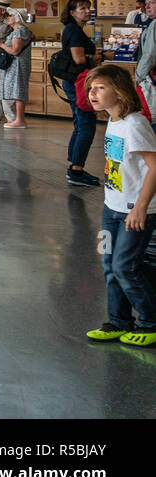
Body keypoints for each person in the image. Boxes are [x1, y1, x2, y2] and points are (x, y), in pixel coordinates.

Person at [81, 65, 156, 346]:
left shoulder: (135, 124)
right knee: (109, 264)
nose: (93, 93)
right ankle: (119, 321)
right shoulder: (113, 121)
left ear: (120, 91)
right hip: (110, 209)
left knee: (125, 266)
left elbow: (154, 167)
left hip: (135, 212)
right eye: (91, 88)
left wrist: (139, 207)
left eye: (100, 87)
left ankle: (150, 322)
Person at [62, 0, 106, 185]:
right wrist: (99, 57)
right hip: (79, 83)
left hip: (74, 82)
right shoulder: (75, 32)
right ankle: (77, 170)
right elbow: (78, 59)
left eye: (88, 8)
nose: (87, 11)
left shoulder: (74, 30)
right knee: (86, 126)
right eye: (82, 8)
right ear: (72, 12)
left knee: (80, 124)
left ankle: (74, 166)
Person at [0, 8, 33, 129]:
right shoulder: (17, 31)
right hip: (16, 65)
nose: (8, 17)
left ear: (17, 18)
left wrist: (1, 45)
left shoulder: (20, 31)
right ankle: (18, 118)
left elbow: (15, 51)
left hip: (18, 65)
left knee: (18, 90)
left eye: (10, 15)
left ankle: (19, 119)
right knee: (16, 90)